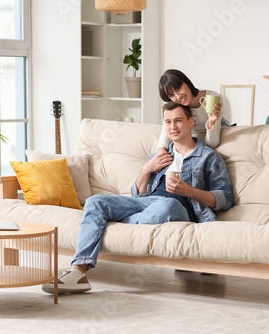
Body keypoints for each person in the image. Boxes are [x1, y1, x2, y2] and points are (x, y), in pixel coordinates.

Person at [42, 102, 233, 294]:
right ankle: (78, 272)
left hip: (177, 208)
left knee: (167, 205)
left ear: (191, 122)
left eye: (178, 121)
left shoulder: (208, 157)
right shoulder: (161, 155)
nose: (173, 126)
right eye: (168, 122)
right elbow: (138, 194)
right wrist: (146, 169)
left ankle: (117, 221)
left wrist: (187, 191)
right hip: (146, 204)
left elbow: (225, 198)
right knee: (95, 201)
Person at [156, 70, 229, 158]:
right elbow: (166, 130)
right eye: (171, 95)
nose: (178, 96)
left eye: (178, 88)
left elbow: (212, 144)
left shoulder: (211, 98)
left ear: (186, 82)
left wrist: (211, 122)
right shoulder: (174, 105)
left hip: (213, 132)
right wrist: (161, 149)